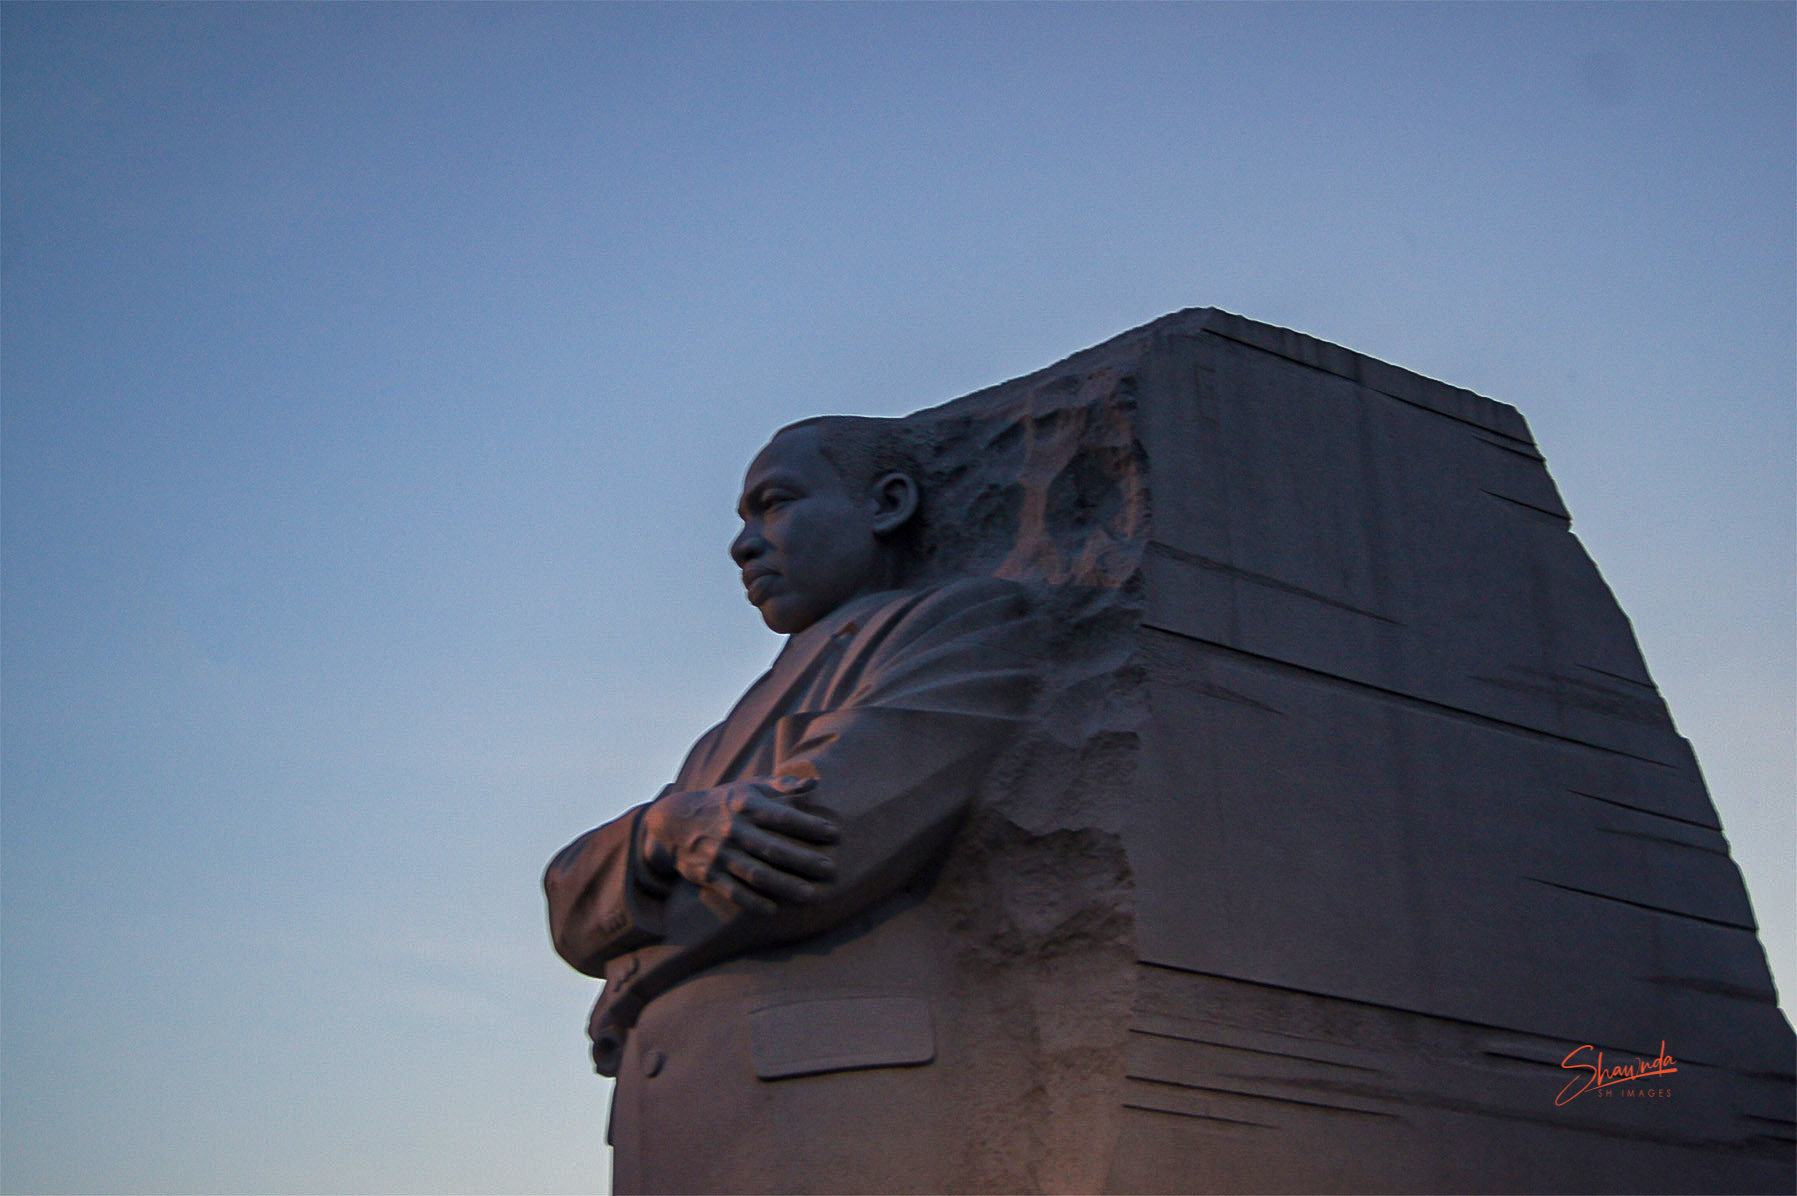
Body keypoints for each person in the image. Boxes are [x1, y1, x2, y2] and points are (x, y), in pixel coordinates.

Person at [544, 417, 1039, 1193]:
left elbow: (810, 847)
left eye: (773, 504)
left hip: (823, 1110)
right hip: (674, 1126)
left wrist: (627, 967)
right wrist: (661, 830)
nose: (742, 546)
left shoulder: (955, 625)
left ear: (887, 503)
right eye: (742, 519)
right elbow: (565, 902)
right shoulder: (720, 739)